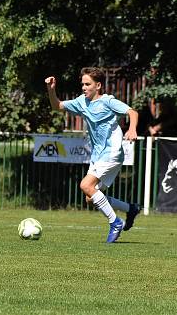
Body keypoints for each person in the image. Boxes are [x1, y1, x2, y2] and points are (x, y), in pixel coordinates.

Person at [45, 67, 140, 243]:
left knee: (85, 185)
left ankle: (115, 222)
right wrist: (51, 90)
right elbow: (57, 106)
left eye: (87, 84)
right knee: (91, 197)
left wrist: (132, 128)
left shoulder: (108, 101)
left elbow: (132, 112)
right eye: (82, 84)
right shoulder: (82, 102)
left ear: (98, 85)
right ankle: (130, 208)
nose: (83, 87)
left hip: (111, 152)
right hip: (98, 155)